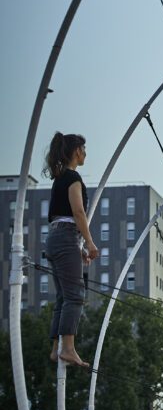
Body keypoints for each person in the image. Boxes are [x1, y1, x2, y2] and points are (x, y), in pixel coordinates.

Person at [43, 132, 98, 367]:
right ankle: (68, 348)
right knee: (75, 295)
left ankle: (57, 348)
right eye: (84, 149)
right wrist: (89, 242)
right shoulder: (73, 177)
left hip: (56, 238)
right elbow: (78, 212)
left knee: (63, 297)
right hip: (66, 237)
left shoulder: (59, 178)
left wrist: (78, 247)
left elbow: (66, 215)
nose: (85, 154)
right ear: (77, 151)